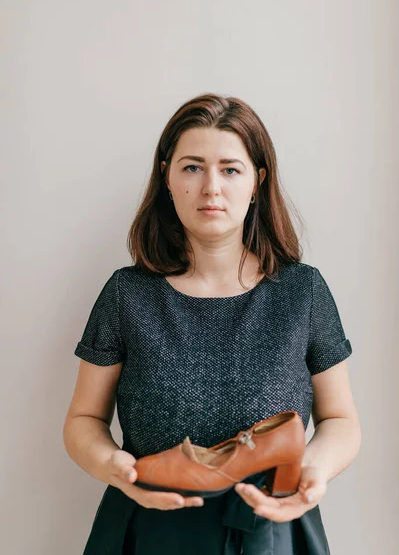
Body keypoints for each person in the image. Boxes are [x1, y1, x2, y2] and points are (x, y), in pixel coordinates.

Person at [63, 93, 361, 554]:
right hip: (150, 532)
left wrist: (314, 472)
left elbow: (341, 419)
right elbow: (84, 419)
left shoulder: (303, 291)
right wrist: (112, 466)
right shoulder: (127, 294)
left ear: (257, 181)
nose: (211, 188)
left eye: (230, 169)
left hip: (271, 532)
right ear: (167, 176)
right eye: (192, 167)